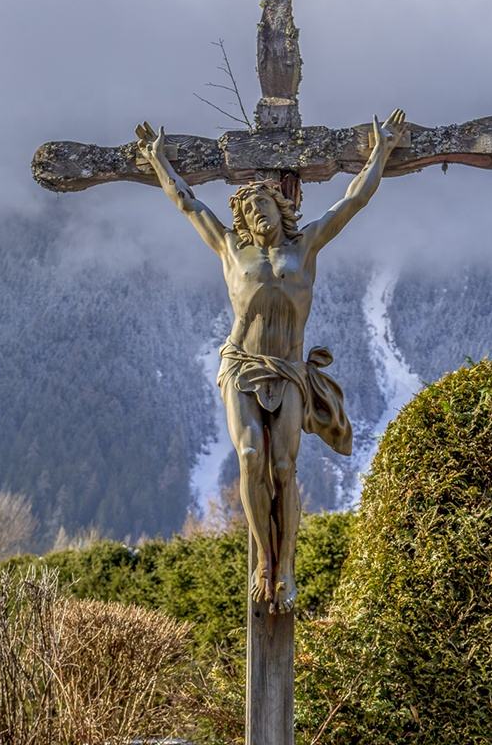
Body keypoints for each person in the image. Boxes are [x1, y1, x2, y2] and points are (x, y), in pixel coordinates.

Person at [136, 109, 406, 612]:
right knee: (250, 457)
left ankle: (286, 568)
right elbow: (188, 203)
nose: (255, 212)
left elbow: (353, 200)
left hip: (289, 371)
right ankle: (264, 559)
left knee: (283, 466)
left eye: (262, 202)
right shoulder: (231, 250)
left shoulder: (306, 246)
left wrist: (382, 151)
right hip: (241, 365)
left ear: (280, 208)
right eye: (248, 209)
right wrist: (158, 162)